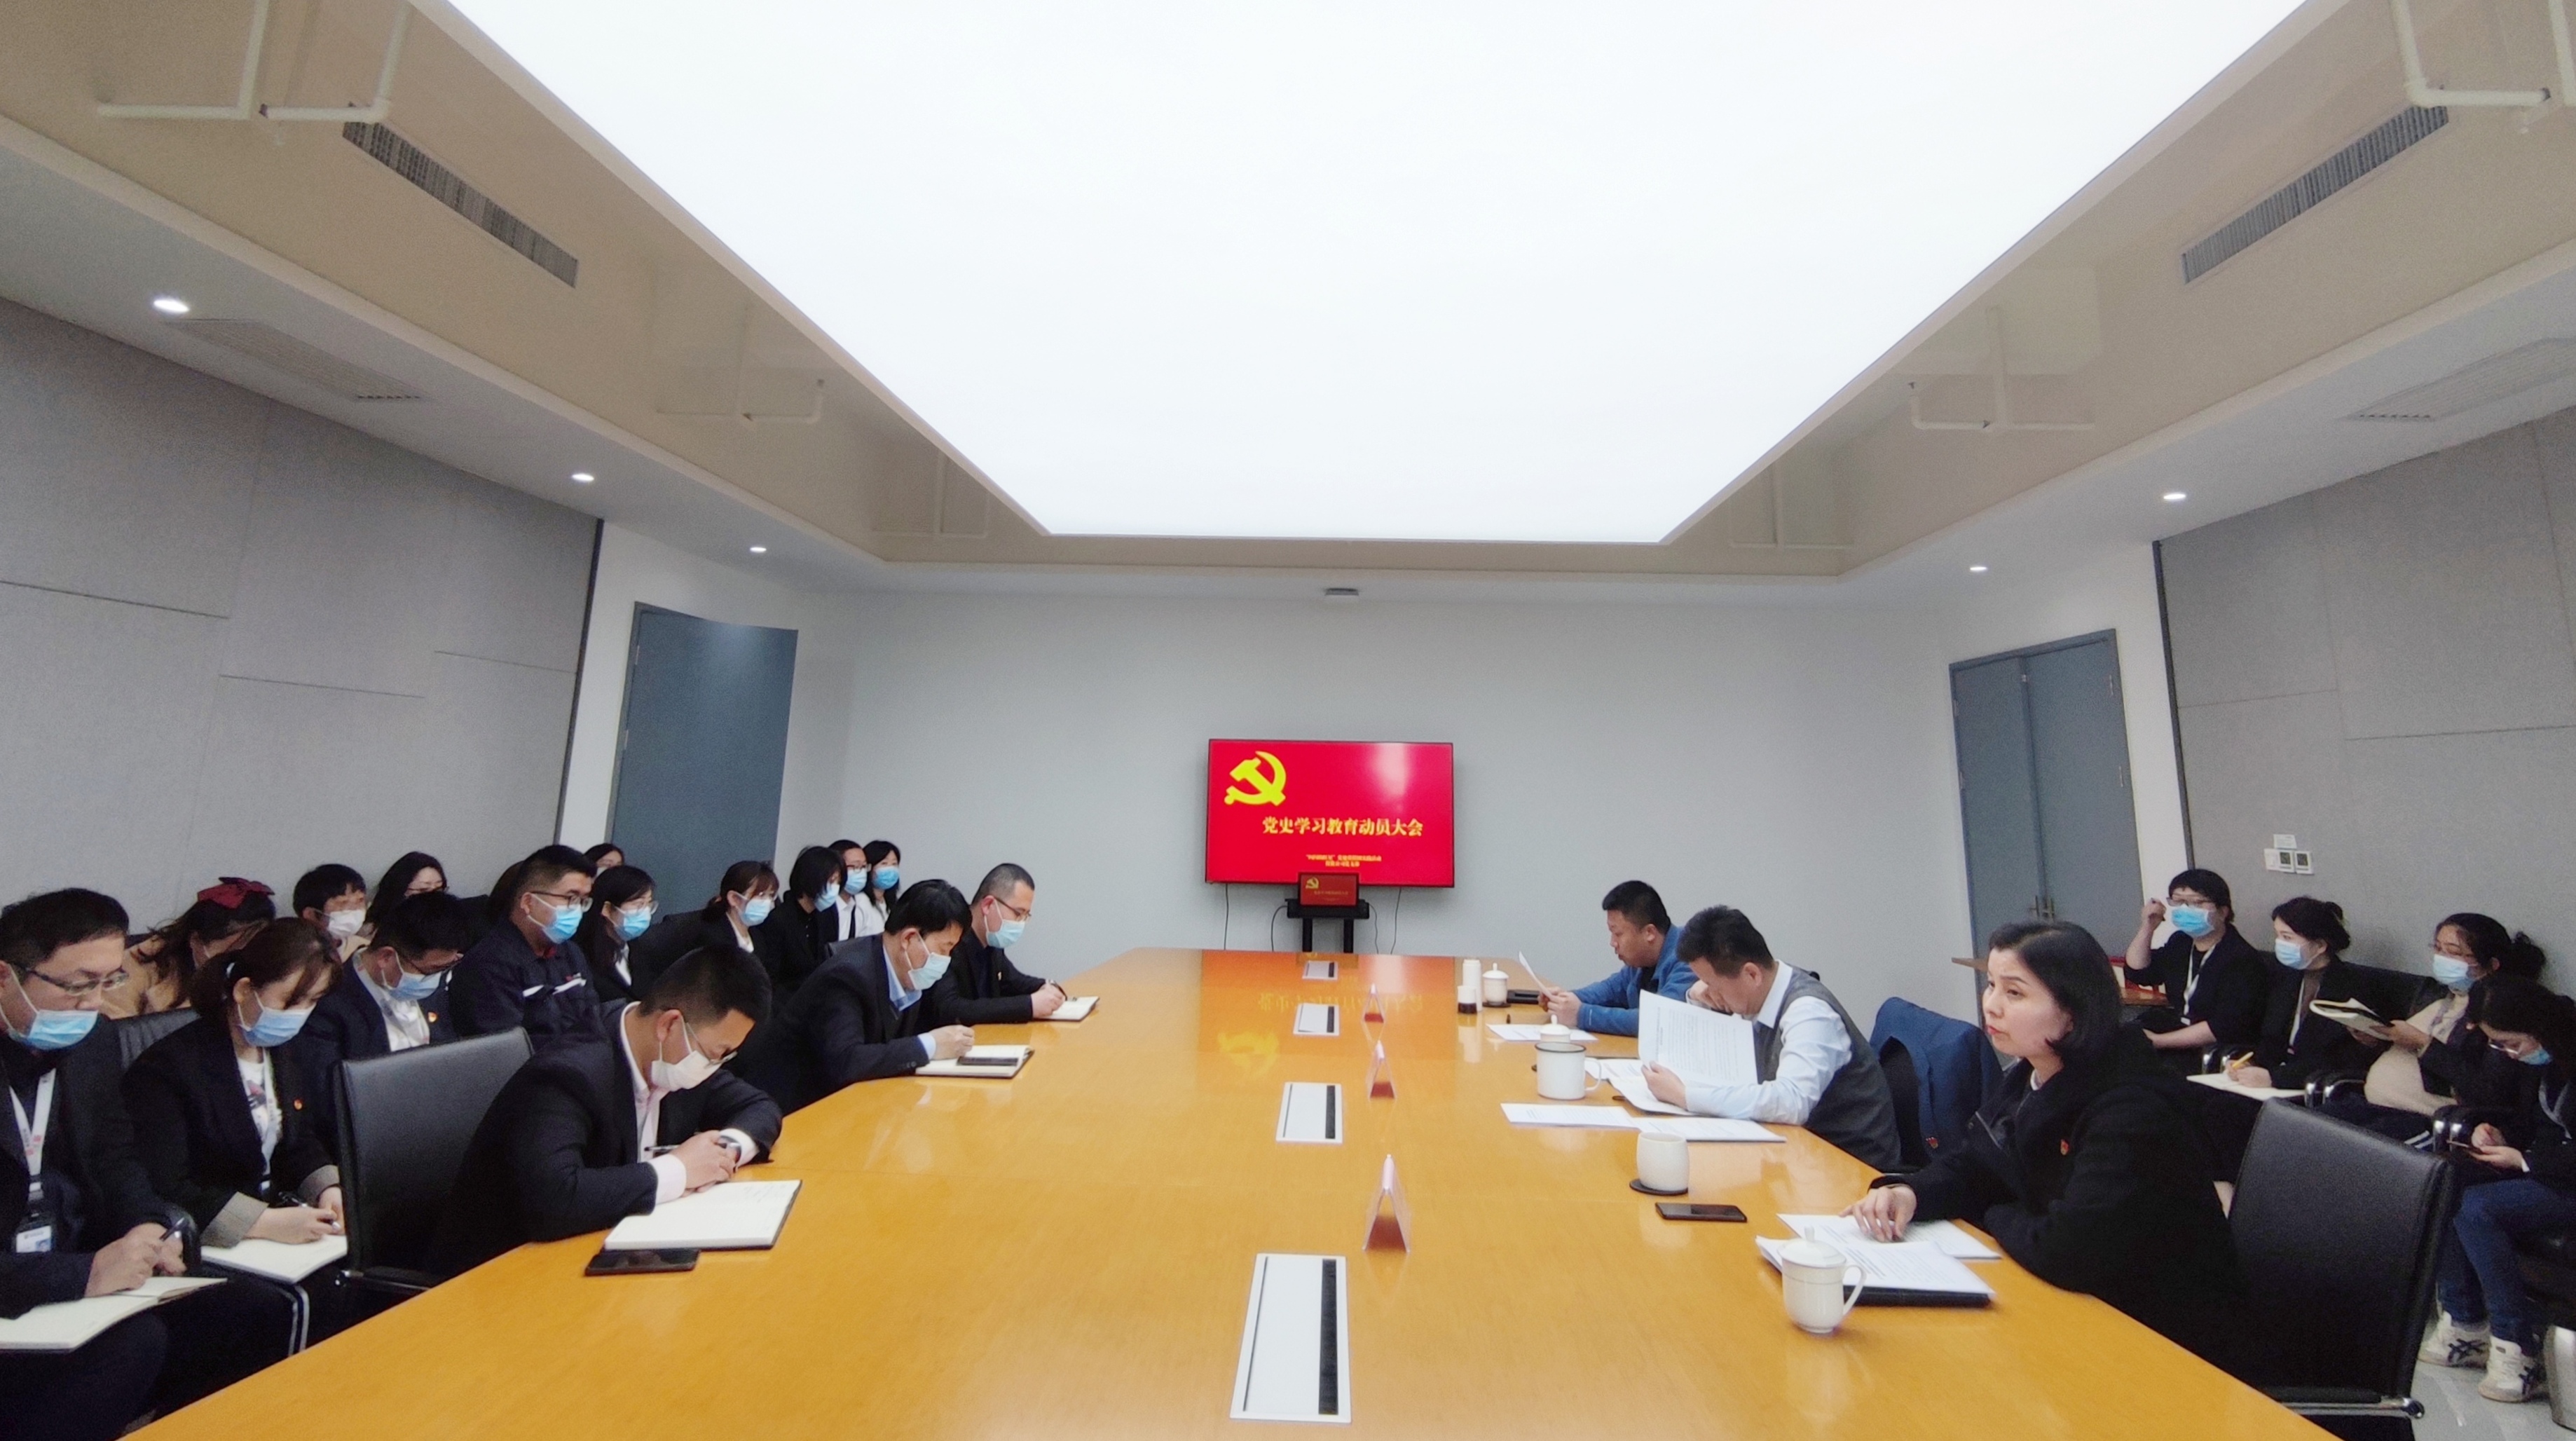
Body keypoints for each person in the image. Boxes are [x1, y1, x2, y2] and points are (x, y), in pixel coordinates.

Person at [1847, 920, 2244, 1367]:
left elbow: (2068, 1250)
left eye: (2015, 993)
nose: (1991, 1006)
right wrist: (1911, 1192)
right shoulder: (2033, 1071)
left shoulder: (2132, 1106)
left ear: (2073, 1011)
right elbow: (1979, 1164)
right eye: (1991, 985)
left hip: (2162, 1342)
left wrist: (1993, 1212)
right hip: (2083, 1314)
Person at [0, 889, 293, 1439]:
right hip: (19, 1287)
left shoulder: (91, 1043)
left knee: (253, 1310)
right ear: (5, 977)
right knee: (134, 1346)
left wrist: (145, 1225)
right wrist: (82, 1275)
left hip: (77, 1259)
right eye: (77, 986)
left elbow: (114, 1155)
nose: (95, 1003)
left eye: (108, 981)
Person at [425, 943, 783, 1277]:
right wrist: (679, 1170)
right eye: (716, 1053)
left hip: (607, 1254)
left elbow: (759, 1106)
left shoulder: (677, 1058)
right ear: (670, 1025)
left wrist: (723, 1153)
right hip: (499, 1277)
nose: (714, 1065)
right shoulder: (568, 1075)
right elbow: (554, 1199)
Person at [123, 919, 343, 1252]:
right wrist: (262, 1223)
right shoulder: (168, 1068)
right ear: (243, 990)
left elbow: (297, 1138)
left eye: (312, 1002)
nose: (300, 1015)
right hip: (213, 1238)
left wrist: (328, 1188)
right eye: (290, 1002)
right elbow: (167, 1184)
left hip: (284, 1221)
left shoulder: (284, 1050)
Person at [1640, 906, 1902, 1169]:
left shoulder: (1810, 1013)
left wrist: (1686, 1096)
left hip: (1852, 1168)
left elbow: (1791, 1101)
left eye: (1714, 985)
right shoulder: (1762, 990)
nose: (1710, 992)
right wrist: (1698, 998)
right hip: (1798, 1152)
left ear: (1752, 974)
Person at [2418, 975, 2576, 1404]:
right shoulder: (2541, 1063)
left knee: (2479, 1208)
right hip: (2549, 1170)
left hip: (2564, 1180)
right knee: (2446, 1181)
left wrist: (2525, 1160)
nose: (2509, 1054)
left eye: (2511, 1044)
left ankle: (2516, 1345)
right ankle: (2465, 1322)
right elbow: (2535, 1124)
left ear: (2539, 1029)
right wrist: (2500, 1136)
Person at [737, 880, 977, 1112]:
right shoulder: (847, 976)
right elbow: (847, 1060)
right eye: (944, 949)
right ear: (909, 939)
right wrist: (930, 1045)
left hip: (851, 1103)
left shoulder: (907, 974)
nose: (946, 959)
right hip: (793, 1109)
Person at [288, 892, 475, 1142]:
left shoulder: (430, 984)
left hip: (440, 1118)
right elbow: (331, 1104)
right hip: (378, 1133)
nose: (437, 978)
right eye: (432, 971)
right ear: (386, 957)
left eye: (447, 967)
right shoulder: (330, 1004)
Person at [2351, 915, 2546, 1131]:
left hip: (2427, 1119)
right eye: (2438, 948)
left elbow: (2490, 1092)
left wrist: (2424, 1044)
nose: (2442, 958)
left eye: (2453, 952)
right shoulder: (2441, 996)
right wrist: (2377, 1039)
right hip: (2378, 1103)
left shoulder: (2497, 1014)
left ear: (2491, 965)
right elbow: (2404, 1049)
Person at [448, 846, 605, 1049]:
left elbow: (594, 1022)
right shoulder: (489, 965)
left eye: (583, 901)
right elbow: (506, 1052)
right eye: (570, 898)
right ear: (528, 902)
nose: (577, 910)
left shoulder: (571, 953)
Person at [2226, 896, 2380, 1092]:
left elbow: (2340, 1058)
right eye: (2278, 936)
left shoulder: (2352, 987)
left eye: (2287, 938)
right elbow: (2271, 1038)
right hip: (2273, 1078)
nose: (2279, 943)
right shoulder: (2285, 976)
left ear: (2320, 945)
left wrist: (2276, 1078)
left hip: (2312, 1086)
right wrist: (2248, 1062)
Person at [2121, 868, 2268, 1068]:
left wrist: (2158, 1041)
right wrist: (2148, 927)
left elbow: (2224, 1027)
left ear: (2223, 912)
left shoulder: (2241, 959)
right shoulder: (2181, 942)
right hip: (2176, 1032)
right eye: (2179, 901)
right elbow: (2139, 972)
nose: (2186, 909)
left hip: (2211, 1047)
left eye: (2197, 903)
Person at [1538, 880, 1693, 1036]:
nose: (1612, 943)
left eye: (1618, 934)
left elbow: (1660, 1019)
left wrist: (1582, 1015)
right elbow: (1610, 990)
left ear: (1649, 933)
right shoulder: (1640, 961)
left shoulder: (1690, 958)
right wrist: (1564, 1000)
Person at [109, 877, 274, 1020]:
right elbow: (118, 1031)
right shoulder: (141, 962)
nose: (239, 960)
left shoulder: (264, 970)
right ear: (195, 940)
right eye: (231, 952)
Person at [926, 863, 1066, 1024]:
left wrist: (1047, 987)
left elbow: (1014, 982)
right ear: (988, 906)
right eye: (1018, 913)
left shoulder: (991, 942)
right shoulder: (950, 940)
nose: (1020, 923)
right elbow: (951, 1008)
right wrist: (1029, 1005)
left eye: (1026, 916)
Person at [627, 861, 785, 995]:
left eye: (771, 896)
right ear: (734, 898)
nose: (767, 902)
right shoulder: (703, 931)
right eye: (761, 895)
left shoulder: (759, 938)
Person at [755, 846, 845, 997]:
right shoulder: (779, 920)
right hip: (787, 1002)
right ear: (811, 878)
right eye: (831, 881)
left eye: (838, 882)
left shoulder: (827, 914)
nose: (835, 889)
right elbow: (771, 979)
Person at [572, 865, 657, 1006]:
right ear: (607, 909)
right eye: (639, 905)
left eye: (648, 904)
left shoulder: (639, 949)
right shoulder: (581, 954)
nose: (646, 912)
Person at [292, 863, 371, 961]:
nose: (355, 909)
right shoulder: (293, 955)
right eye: (343, 902)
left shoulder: (364, 949)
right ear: (311, 914)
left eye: (360, 900)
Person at [835, 840, 898, 943]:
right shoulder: (860, 901)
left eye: (894, 864)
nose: (890, 869)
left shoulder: (891, 903)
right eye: (884, 863)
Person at [365, 851, 446, 930]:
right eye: (423, 890)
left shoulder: (446, 924)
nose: (434, 897)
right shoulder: (374, 929)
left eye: (438, 889)